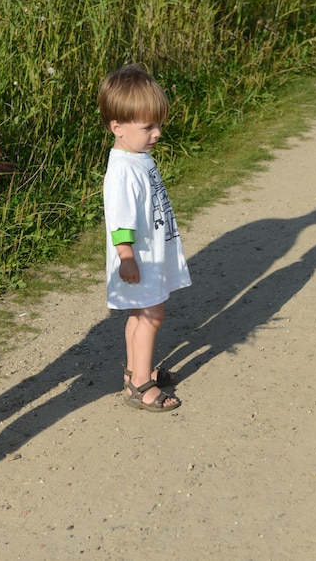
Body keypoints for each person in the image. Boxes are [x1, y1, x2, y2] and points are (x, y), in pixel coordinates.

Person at [98, 64, 192, 412]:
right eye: (148, 127)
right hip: (137, 259)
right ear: (117, 128)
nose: (156, 133)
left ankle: (134, 371)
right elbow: (119, 219)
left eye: (158, 124)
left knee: (141, 314)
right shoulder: (122, 170)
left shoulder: (137, 157)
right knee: (152, 315)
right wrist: (126, 256)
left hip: (146, 255)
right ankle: (140, 384)